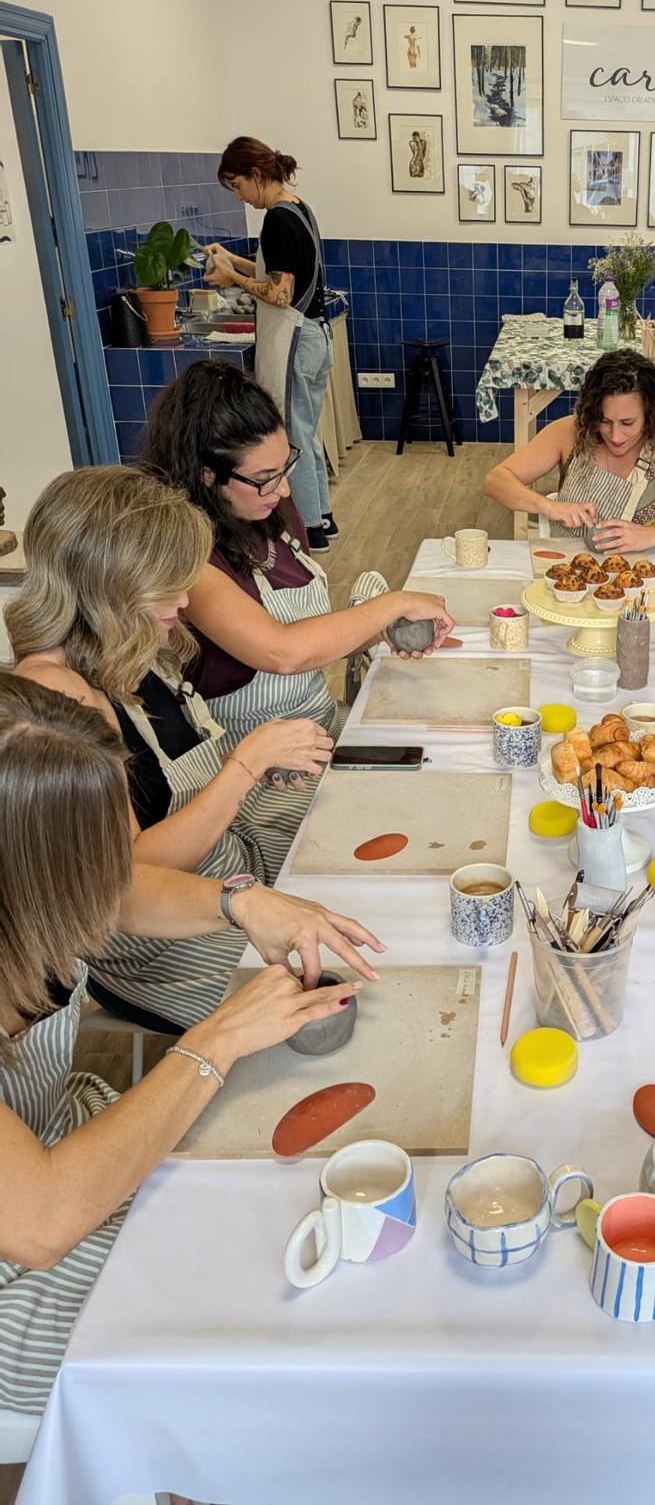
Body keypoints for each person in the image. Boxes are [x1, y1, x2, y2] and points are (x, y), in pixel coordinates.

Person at [0, 671, 372, 1428]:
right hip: (22, 1281)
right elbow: (42, 1222)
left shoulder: (29, 893)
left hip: (61, 1145)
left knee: (280, 1207)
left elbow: (120, 889)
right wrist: (220, 1035)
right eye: (97, 847)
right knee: (262, 1303)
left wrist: (241, 902)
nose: (120, 862)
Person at [8, 467, 328, 1034]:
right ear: (106, 583)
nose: (183, 598)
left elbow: (181, 784)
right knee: (322, 998)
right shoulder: (56, 696)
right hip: (154, 945)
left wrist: (258, 774)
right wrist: (244, 766)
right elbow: (124, 880)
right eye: (164, 585)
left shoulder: (130, 643)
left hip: (224, 874)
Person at [139, 361, 453, 745]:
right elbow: (283, 652)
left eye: (284, 465)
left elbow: (313, 645)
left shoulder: (272, 512)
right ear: (208, 474)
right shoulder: (186, 559)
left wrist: (379, 631)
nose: (284, 489)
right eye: (264, 478)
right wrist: (392, 603)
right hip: (248, 758)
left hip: (317, 725)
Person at [202, 137, 336, 550]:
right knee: (305, 432)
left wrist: (232, 278)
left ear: (256, 175)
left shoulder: (276, 220)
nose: (240, 197)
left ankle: (309, 526)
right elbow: (280, 271)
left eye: (238, 186)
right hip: (315, 334)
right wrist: (233, 259)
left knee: (291, 437)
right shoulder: (298, 208)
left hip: (296, 338)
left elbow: (279, 293)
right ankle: (323, 517)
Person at [483, 348, 655, 553]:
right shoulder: (569, 432)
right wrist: (549, 507)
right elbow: (496, 481)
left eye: (628, 423)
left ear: (651, 413)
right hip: (563, 572)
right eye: (604, 421)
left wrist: (652, 536)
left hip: (636, 579)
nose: (615, 436)